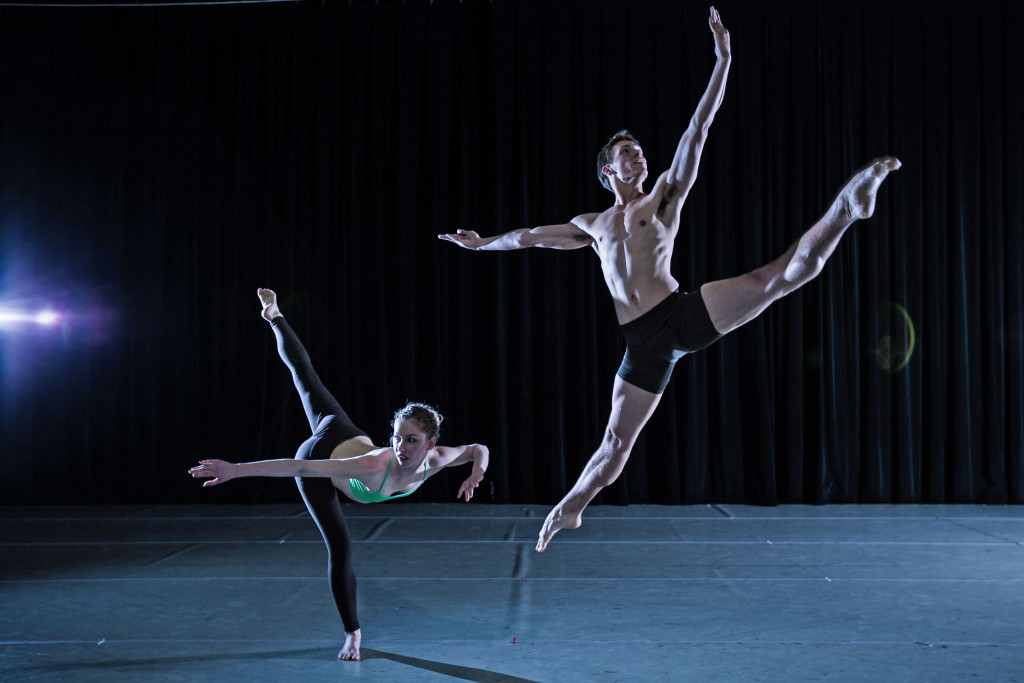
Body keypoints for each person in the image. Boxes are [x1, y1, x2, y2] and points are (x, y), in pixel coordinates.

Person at [438, 6, 900, 552]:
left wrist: (723, 59)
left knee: (777, 278)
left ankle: (848, 205)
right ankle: (570, 507)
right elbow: (530, 236)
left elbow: (698, 130)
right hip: (642, 347)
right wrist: (482, 242)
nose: (639, 154)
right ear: (608, 169)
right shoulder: (591, 224)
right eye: (626, 152)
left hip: (680, 313)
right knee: (614, 444)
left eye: (639, 150)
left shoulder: (661, 198)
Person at [189, 288, 490, 661]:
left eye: (411, 440)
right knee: (341, 548)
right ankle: (352, 633)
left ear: (431, 444)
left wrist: (477, 473)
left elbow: (479, 449)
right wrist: (236, 470)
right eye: (396, 437)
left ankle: (274, 316)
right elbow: (299, 467)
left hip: (346, 436)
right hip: (323, 456)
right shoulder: (373, 465)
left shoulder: (440, 458)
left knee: (306, 377)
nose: (401, 447)